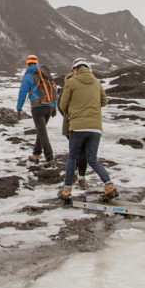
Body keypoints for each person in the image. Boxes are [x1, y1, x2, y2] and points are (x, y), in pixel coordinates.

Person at [57, 58, 116, 203]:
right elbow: (104, 102)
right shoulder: (97, 82)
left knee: (72, 157)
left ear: (75, 69)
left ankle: (67, 190)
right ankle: (109, 185)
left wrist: (75, 110)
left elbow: (63, 105)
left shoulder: (71, 82)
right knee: (92, 159)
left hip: (78, 126)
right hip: (95, 127)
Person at [16, 54, 57, 164]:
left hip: (37, 107)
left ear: (28, 63)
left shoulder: (28, 76)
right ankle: (36, 154)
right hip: (49, 106)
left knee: (42, 133)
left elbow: (22, 93)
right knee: (41, 131)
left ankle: (50, 158)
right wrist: (54, 105)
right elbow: (54, 90)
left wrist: (19, 108)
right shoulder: (46, 74)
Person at [60, 71, 88, 190]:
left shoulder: (66, 87)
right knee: (82, 151)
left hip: (69, 125)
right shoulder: (83, 89)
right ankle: (81, 178)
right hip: (83, 124)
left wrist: (67, 116)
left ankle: (73, 176)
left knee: (73, 151)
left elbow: (61, 105)